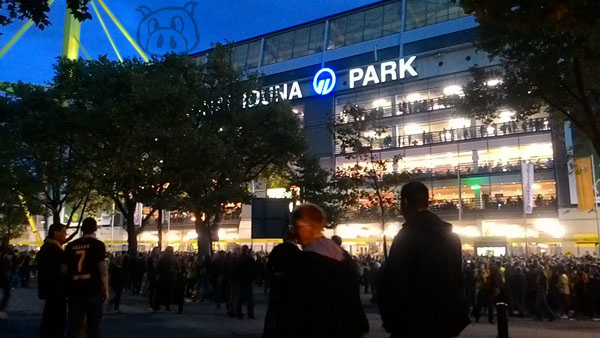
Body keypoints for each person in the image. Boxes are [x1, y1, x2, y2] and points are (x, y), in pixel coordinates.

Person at [378, 181, 469, 337]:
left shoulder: (406, 237)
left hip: (412, 323)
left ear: (405, 203)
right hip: (444, 322)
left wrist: (391, 319)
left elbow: (395, 282)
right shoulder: (451, 237)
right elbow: (456, 279)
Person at [287, 203, 369, 337]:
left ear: (314, 226)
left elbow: (298, 307)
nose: (294, 232)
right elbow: (353, 298)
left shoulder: (306, 261)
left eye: (297, 226)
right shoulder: (342, 255)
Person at [64, 217, 108, 338]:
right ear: (95, 229)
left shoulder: (70, 246)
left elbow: (65, 269)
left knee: (74, 325)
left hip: (74, 289)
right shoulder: (98, 245)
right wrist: (106, 289)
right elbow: (103, 270)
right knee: (94, 326)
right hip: (92, 289)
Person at [263, 230, 301, 337]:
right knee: (287, 312)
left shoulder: (277, 249)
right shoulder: (297, 251)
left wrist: (273, 276)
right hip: (290, 286)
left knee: (272, 311)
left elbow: (268, 266)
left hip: (276, 284)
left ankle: (268, 333)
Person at [37, 223, 68, 338]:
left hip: (49, 290)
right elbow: (61, 269)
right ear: (55, 232)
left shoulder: (46, 247)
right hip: (57, 290)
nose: (65, 234)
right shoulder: (54, 249)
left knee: (49, 320)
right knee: (57, 321)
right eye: (63, 232)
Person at [153, 246, 177, 312]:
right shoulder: (173, 259)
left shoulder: (161, 258)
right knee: (168, 293)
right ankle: (167, 307)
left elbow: (157, 268)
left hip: (162, 277)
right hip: (170, 277)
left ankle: (156, 306)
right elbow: (176, 267)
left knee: (159, 293)